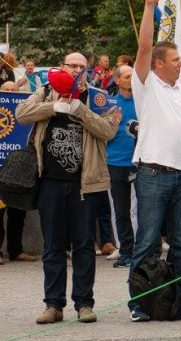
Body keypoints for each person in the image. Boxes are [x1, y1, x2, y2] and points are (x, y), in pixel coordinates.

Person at [16, 52, 121, 324]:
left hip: (85, 184)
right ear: (62, 67)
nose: (76, 71)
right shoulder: (45, 91)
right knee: (53, 246)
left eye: (82, 68)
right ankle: (53, 304)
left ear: (88, 71)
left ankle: (84, 303)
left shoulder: (97, 98)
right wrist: (54, 108)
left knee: (84, 245)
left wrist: (80, 110)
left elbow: (109, 129)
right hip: (50, 182)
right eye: (71, 66)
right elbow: (22, 113)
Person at [127, 0, 181, 322]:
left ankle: (177, 301)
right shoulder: (146, 84)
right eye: (176, 60)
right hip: (154, 172)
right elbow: (144, 46)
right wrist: (149, 6)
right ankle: (139, 304)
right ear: (159, 64)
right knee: (147, 241)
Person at [106, 65, 139, 269]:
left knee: (143, 208)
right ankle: (126, 249)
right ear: (117, 80)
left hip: (140, 161)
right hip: (116, 162)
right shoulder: (110, 104)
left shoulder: (144, 102)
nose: (131, 79)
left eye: (133, 76)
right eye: (127, 76)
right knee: (121, 210)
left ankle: (145, 249)